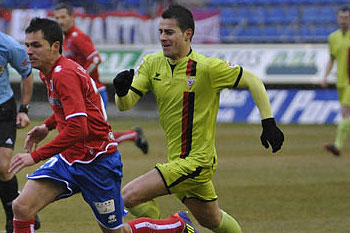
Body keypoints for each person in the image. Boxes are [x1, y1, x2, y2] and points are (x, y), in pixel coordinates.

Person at [8, 17, 200, 233]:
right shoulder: (49, 72)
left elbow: (79, 129)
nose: (29, 51)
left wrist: (35, 156)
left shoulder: (64, 74)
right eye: (27, 45)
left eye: (36, 45)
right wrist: (47, 126)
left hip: (98, 162)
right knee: (21, 207)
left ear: (55, 47)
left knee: (116, 232)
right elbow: (73, 107)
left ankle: (178, 224)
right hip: (70, 160)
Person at [113, 4, 284, 233]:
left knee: (126, 196)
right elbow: (126, 105)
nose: (163, 38)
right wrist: (121, 91)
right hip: (178, 161)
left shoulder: (206, 68)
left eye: (169, 32)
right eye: (161, 32)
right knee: (213, 221)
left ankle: (177, 227)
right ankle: (168, 225)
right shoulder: (153, 63)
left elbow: (253, 80)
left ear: (187, 34)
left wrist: (268, 122)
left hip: (196, 162)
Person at [54, 3, 149, 154]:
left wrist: (80, 78)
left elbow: (96, 59)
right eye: (57, 18)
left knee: (93, 136)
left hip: (94, 92)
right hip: (83, 93)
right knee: (86, 136)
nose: (60, 21)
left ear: (73, 17)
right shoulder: (66, 39)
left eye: (63, 17)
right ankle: (133, 135)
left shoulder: (77, 37)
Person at [0, 32, 41, 233]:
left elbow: (26, 73)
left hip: (3, 111)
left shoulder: (8, 46)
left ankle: (13, 218)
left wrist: (24, 109)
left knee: (2, 166)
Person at [321, 6, 350, 156]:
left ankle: (337, 146)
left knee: (346, 112)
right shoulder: (333, 37)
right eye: (341, 17)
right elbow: (331, 59)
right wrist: (325, 76)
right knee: (345, 114)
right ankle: (338, 145)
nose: (343, 20)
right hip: (341, 82)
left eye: (346, 17)